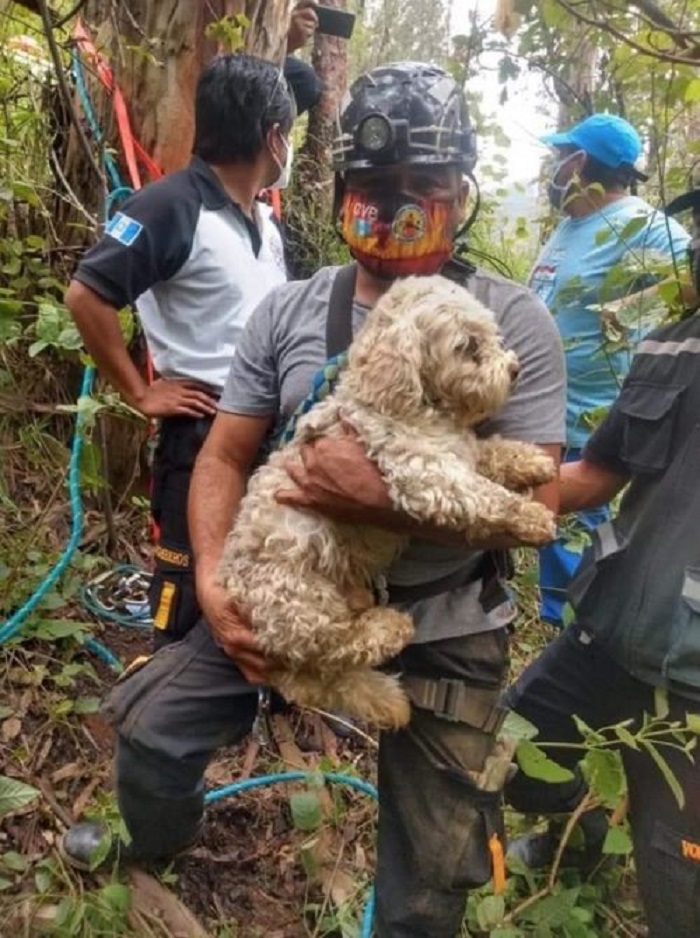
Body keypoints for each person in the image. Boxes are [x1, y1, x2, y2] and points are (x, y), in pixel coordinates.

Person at [61, 63, 566, 937]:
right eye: (374, 186)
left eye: (424, 186)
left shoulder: (508, 320)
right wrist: (214, 581)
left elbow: (541, 487)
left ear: (461, 193)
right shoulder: (290, 310)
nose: (397, 205)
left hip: (445, 618)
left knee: (431, 878)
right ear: (339, 190)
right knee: (150, 737)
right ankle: (160, 840)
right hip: (288, 579)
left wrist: (369, 495)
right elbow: (222, 458)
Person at [505, 179, 700, 938]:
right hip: (617, 626)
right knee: (521, 745)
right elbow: (593, 476)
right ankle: (578, 847)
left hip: (692, 684)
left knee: (679, 876)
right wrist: (480, 493)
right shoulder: (673, 343)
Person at [65, 54, 296, 649]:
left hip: (269, 437)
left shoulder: (266, 224)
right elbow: (87, 295)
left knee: (259, 581)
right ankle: (166, 715)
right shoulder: (170, 206)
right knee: (191, 589)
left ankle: (242, 705)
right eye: (288, 133)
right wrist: (142, 391)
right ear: (273, 136)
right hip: (201, 438)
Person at [529, 113, 689, 628]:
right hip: (545, 421)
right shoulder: (571, 226)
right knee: (547, 545)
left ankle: (574, 645)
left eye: (562, 158)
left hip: (594, 431)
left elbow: (683, 294)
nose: (555, 168)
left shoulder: (646, 229)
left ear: (580, 164)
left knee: (579, 563)